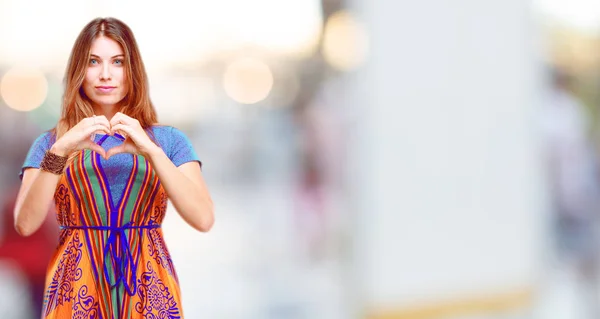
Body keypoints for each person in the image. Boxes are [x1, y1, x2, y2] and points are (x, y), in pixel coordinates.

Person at [13, 17, 214, 318]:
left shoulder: (169, 140)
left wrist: (151, 151)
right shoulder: (52, 143)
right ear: (79, 70)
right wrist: (60, 151)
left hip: (149, 283)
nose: (105, 74)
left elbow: (203, 218)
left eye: (117, 61)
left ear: (132, 69)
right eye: (94, 61)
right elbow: (25, 224)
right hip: (75, 283)